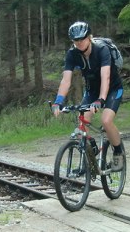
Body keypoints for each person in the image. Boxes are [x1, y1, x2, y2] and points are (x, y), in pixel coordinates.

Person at [51, 21, 125, 171]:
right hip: (92, 91)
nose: (79, 43)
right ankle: (89, 160)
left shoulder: (101, 49)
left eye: (82, 39)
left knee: (106, 120)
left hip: (112, 89)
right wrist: (58, 101)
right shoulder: (72, 54)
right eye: (75, 40)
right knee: (82, 124)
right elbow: (66, 80)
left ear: (89, 37)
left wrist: (101, 99)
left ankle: (118, 153)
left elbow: (106, 77)